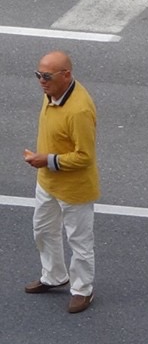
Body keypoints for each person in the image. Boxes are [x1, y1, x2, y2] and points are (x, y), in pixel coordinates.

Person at [23, 50, 100, 314]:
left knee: (79, 242)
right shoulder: (52, 93)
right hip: (47, 182)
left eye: (46, 76)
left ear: (66, 75)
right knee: (43, 231)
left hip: (74, 189)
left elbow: (85, 157)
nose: (41, 81)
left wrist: (48, 160)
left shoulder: (79, 110)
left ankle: (82, 289)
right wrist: (43, 162)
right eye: (38, 75)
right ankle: (54, 276)